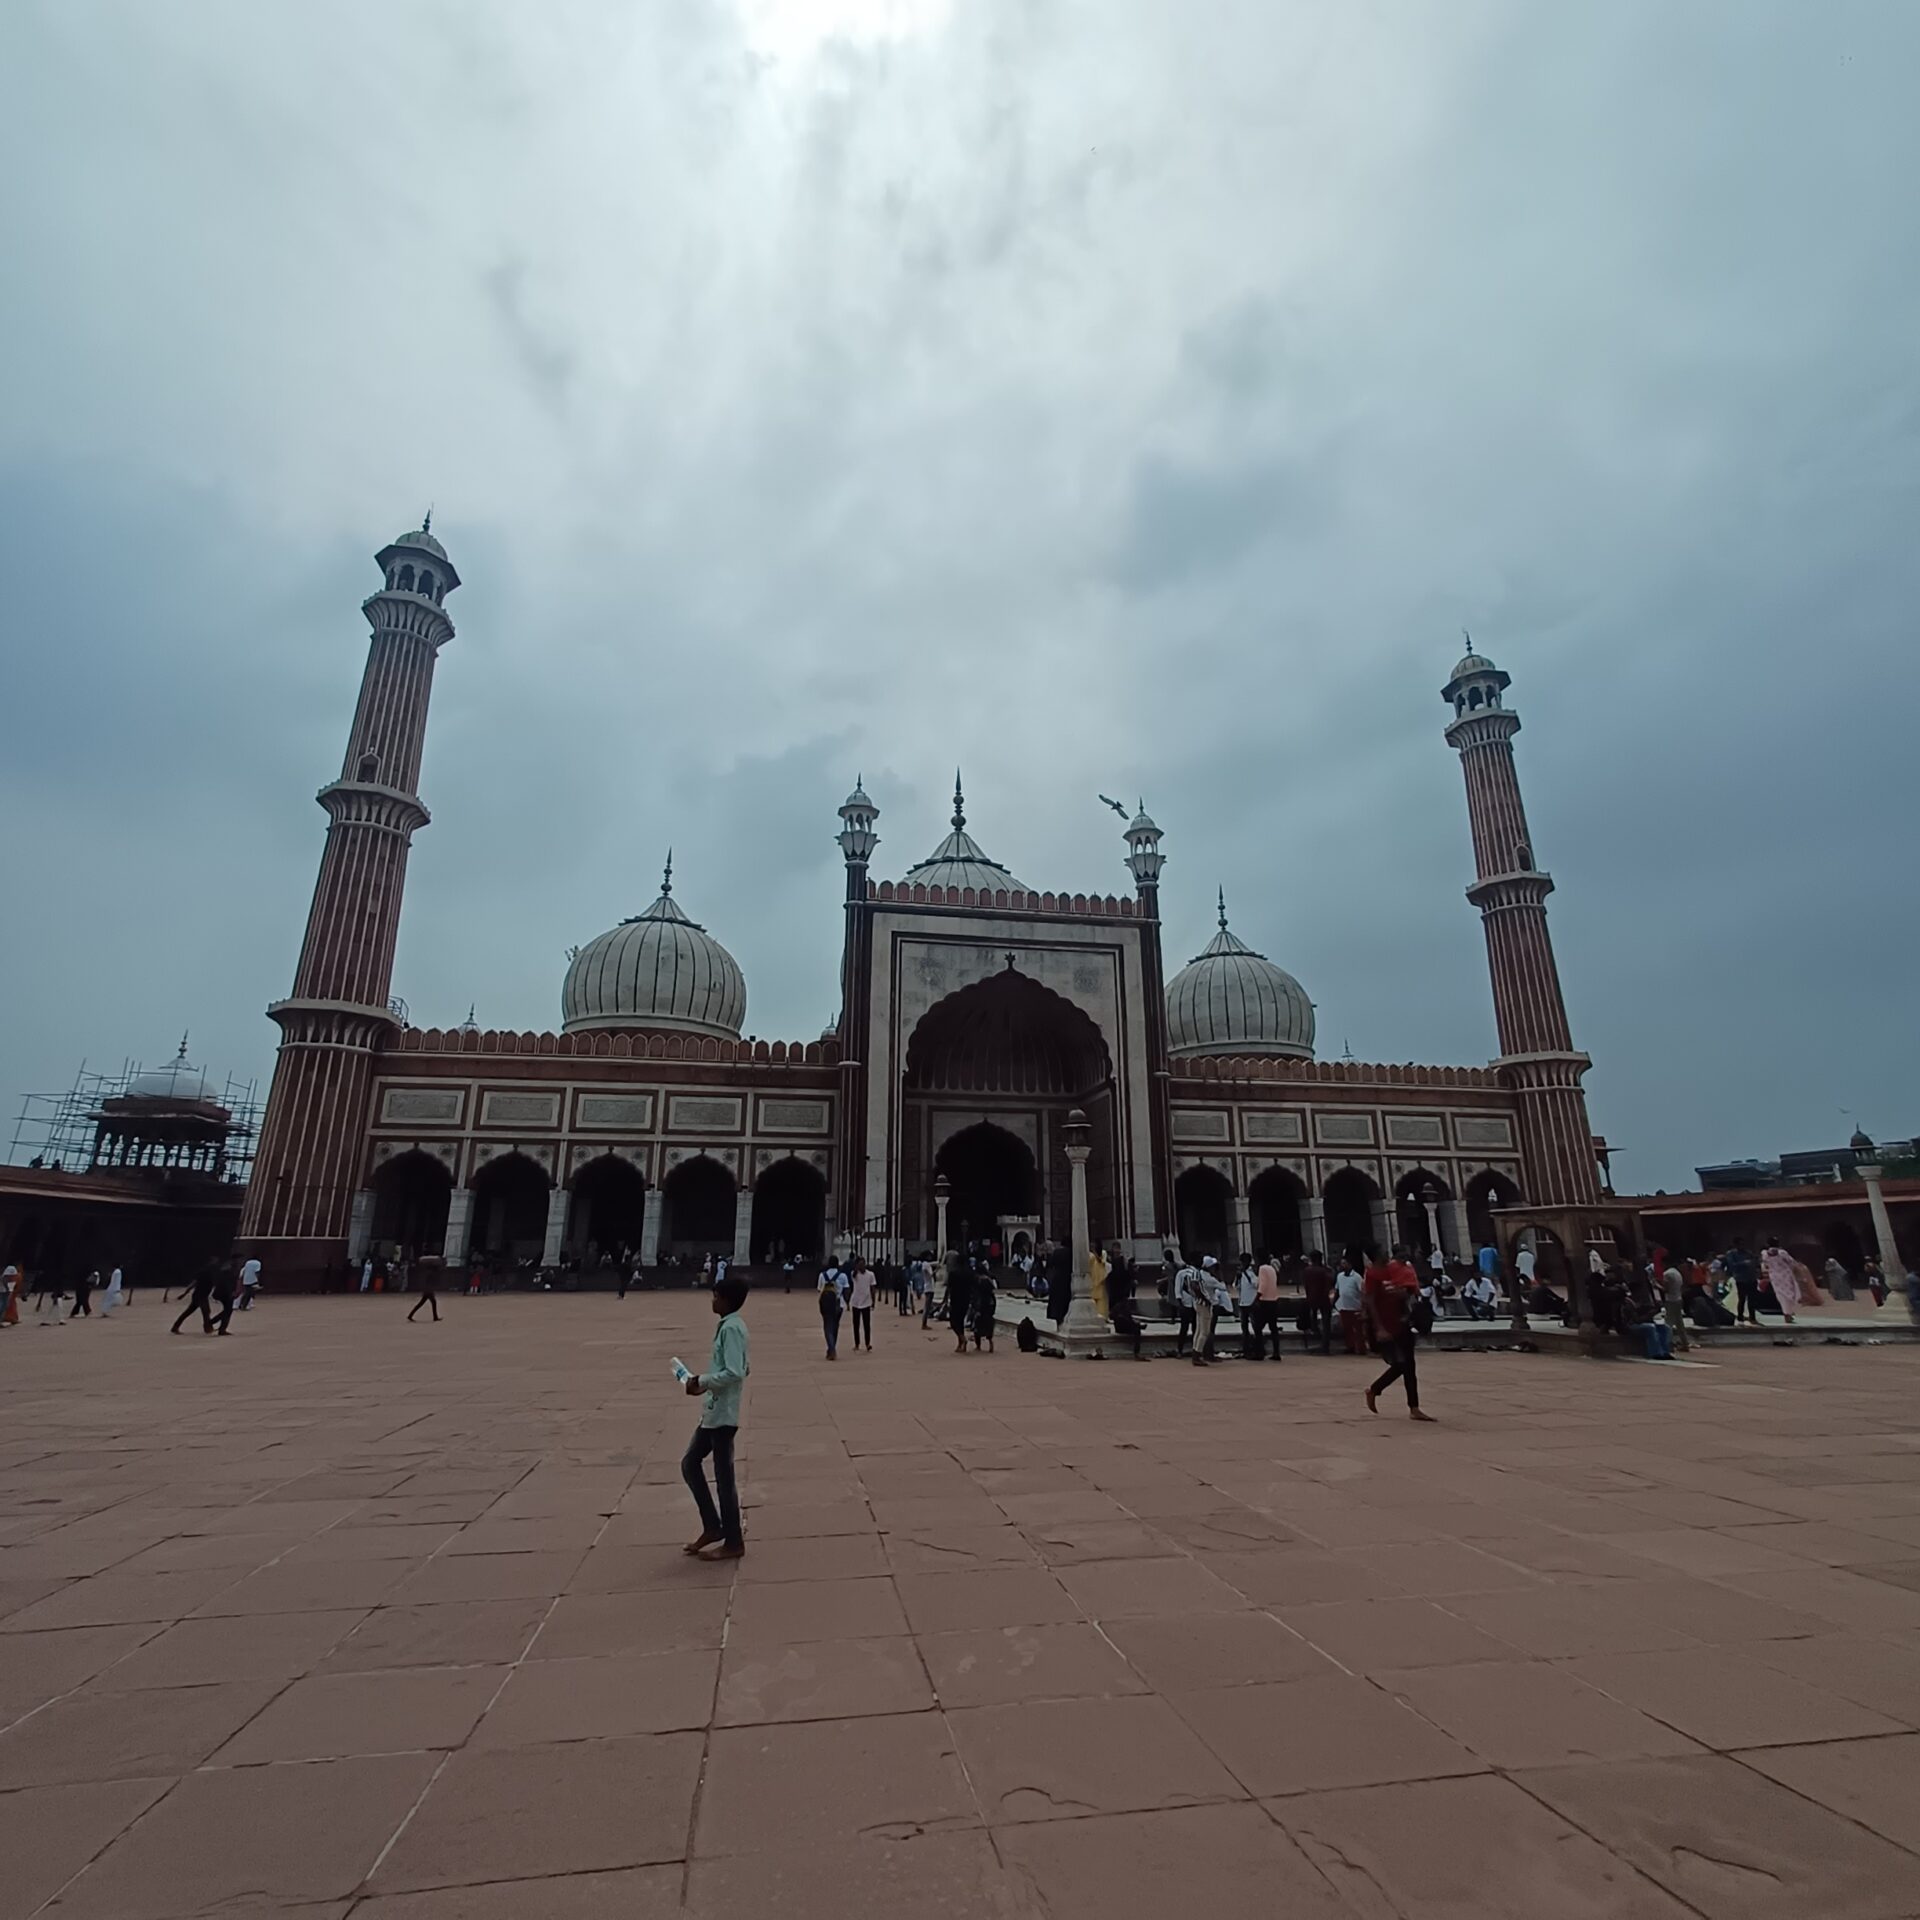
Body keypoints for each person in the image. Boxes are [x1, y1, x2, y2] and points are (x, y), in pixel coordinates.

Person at [682, 1272, 750, 1559]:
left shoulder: (732, 1328)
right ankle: (713, 1525)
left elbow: (735, 1371)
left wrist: (704, 1380)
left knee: (723, 1478)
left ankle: (733, 1541)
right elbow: (743, 1367)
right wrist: (703, 1386)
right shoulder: (730, 1326)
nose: (712, 1300)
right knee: (690, 1464)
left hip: (723, 1415)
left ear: (725, 1300)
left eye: (715, 1295)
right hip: (714, 1410)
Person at [1364, 1250, 1433, 1420]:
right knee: (1401, 1365)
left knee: (1409, 1366)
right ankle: (1375, 1389)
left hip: (1402, 1325)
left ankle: (1414, 1407)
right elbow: (1369, 1301)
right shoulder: (1374, 1276)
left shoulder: (1402, 1273)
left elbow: (1412, 1295)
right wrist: (1379, 1327)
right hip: (1386, 1326)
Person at [1758, 1238, 1800, 1323]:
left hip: (1775, 1277)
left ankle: (1787, 1314)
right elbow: (1791, 1262)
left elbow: (1765, 1264)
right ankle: (1787, 1314)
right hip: (1786, 1276)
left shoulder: (1764, 1254)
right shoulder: (1782, 1252)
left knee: (1781, 1295)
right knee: (1790, 1295)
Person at [1300, 1248, 1333, 1355]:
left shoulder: (1307, 1270)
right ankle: (1325, 1346)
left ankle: (1317, 1340)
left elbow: (1306, 1286)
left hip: (1312, 1299)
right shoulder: (1325, 1271)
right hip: (1323, 1298)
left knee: (1313, 1321)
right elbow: (1328, 1285)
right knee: (1326, 1323)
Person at [171, 1261, 218, 1335]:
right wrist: (185, 1294)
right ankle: (208, 1328)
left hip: (200, 1295)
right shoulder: (206, 1273)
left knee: (190, 1311)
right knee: (205, 1311)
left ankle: (175, 1327)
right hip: (200, 1296)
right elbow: (194, 1283)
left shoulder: (209, 1274)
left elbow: (194, 1284)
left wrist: (185, 1294)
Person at [1253, 1254, 1283, 1359]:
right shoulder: (1272, 1269)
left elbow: (1263, 1285)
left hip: (1264, 1301)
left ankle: (1259, 1352)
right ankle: (1276, 1352)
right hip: (1273, 1300)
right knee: (1273, 1328)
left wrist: (1257, 1297)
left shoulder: (1262, 1268)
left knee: (1257, 1327)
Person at [1334, 1254, 1366, 1354]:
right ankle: (1350, 1347)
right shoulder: (1339, 1276)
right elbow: (1337, 1290)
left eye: (1345, 1263)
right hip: (1344, 1306)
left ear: (1350, 1265)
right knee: (1347, 1329)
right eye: (1342, 1264)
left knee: (1358, 1330)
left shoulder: (1356, 1277)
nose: (1343, 1265)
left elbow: (1362, 1291)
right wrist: (1334, 1302)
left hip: (1355, 1307)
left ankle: (1361, 1348)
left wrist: (1363, 1306)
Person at [945, 1247, 973, 1353]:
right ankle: (961, 1343)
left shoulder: (954, 1273)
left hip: (955, 1299)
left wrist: (945, 1299)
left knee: (954, 1322)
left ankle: (962, 1339)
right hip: (965, 1299)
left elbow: (949, 1287)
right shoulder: (969, 1272)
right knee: (960, 1321)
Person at [1726, 1240, 1760, 1325]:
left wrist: (1755, 1264)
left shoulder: (1748, 1253)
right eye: (1740, 1244)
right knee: (1742, 1298)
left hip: (1751, 1278)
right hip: (1741, 1278)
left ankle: (1752, 1317)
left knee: (1752, 1299)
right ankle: (1740, 1316)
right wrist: (1743, 1263)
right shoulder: (1731, 1254)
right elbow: (1732, 1265)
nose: (1742, 1246)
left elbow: (1755, 1261)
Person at [1171, 1256, 1200, 1354]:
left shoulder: (1198, 1273)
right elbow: (1177, 1289)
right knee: (1184, 1328)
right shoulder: (1182, 1274)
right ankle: (1180, 1349)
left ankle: (1195, 1349)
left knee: (1196, 1328)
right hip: (1185, 1304)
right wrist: (1180, 1304)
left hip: (1196, 1304)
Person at [818, 1258, 845, 1359]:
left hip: (825, 1304)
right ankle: (831, 1348)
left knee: (827, 1327)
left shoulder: (822, 1275)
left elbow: (819, 1289)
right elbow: (846, 1290)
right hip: (838, 1304)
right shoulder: (842, 1276)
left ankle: (831, 1349)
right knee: (835, 1327)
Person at [847, 1258, 875, 1352]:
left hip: (866, 1301)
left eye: (863, 1264)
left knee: (867, 1324)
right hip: (856, 1302)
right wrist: (856, 1269)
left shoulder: (870, 1274)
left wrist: (873, 1300)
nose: (861, 1266)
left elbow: (872, 1288)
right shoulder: (854, 1274)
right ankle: (857, 1343)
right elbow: (853, 1275)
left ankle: (867, 1343)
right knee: (856, 1324)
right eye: (859, 1264)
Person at [407, 1251, 443, 1322]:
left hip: (427, 1290)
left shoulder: (429, 1272)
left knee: (422, 1303)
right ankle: (435, 1317)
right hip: (428, 1290)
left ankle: (410, 1315)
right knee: (431, 1303)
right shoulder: (432, 1273)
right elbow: (431, 1282)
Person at [971, 1262, 997, 1351]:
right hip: (989, 1304)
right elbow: (992, 1293)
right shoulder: (989, 1280)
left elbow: (975, 1294)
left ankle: (978, 1346)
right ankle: (990, 1342)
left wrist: (974, 1305)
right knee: (988, 1324)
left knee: (977, 1325)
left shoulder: (977, 1279)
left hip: (980, 1304)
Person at [1088, 1242, 1110, 1321]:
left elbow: (1101, 1261)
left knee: (1101, 1298)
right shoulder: (1089, 1255)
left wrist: (1095, 1253)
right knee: (1093, 1296)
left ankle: (1103, 1316)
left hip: (1100, 1275)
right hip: (1093, 1276)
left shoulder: (1103, 1253)